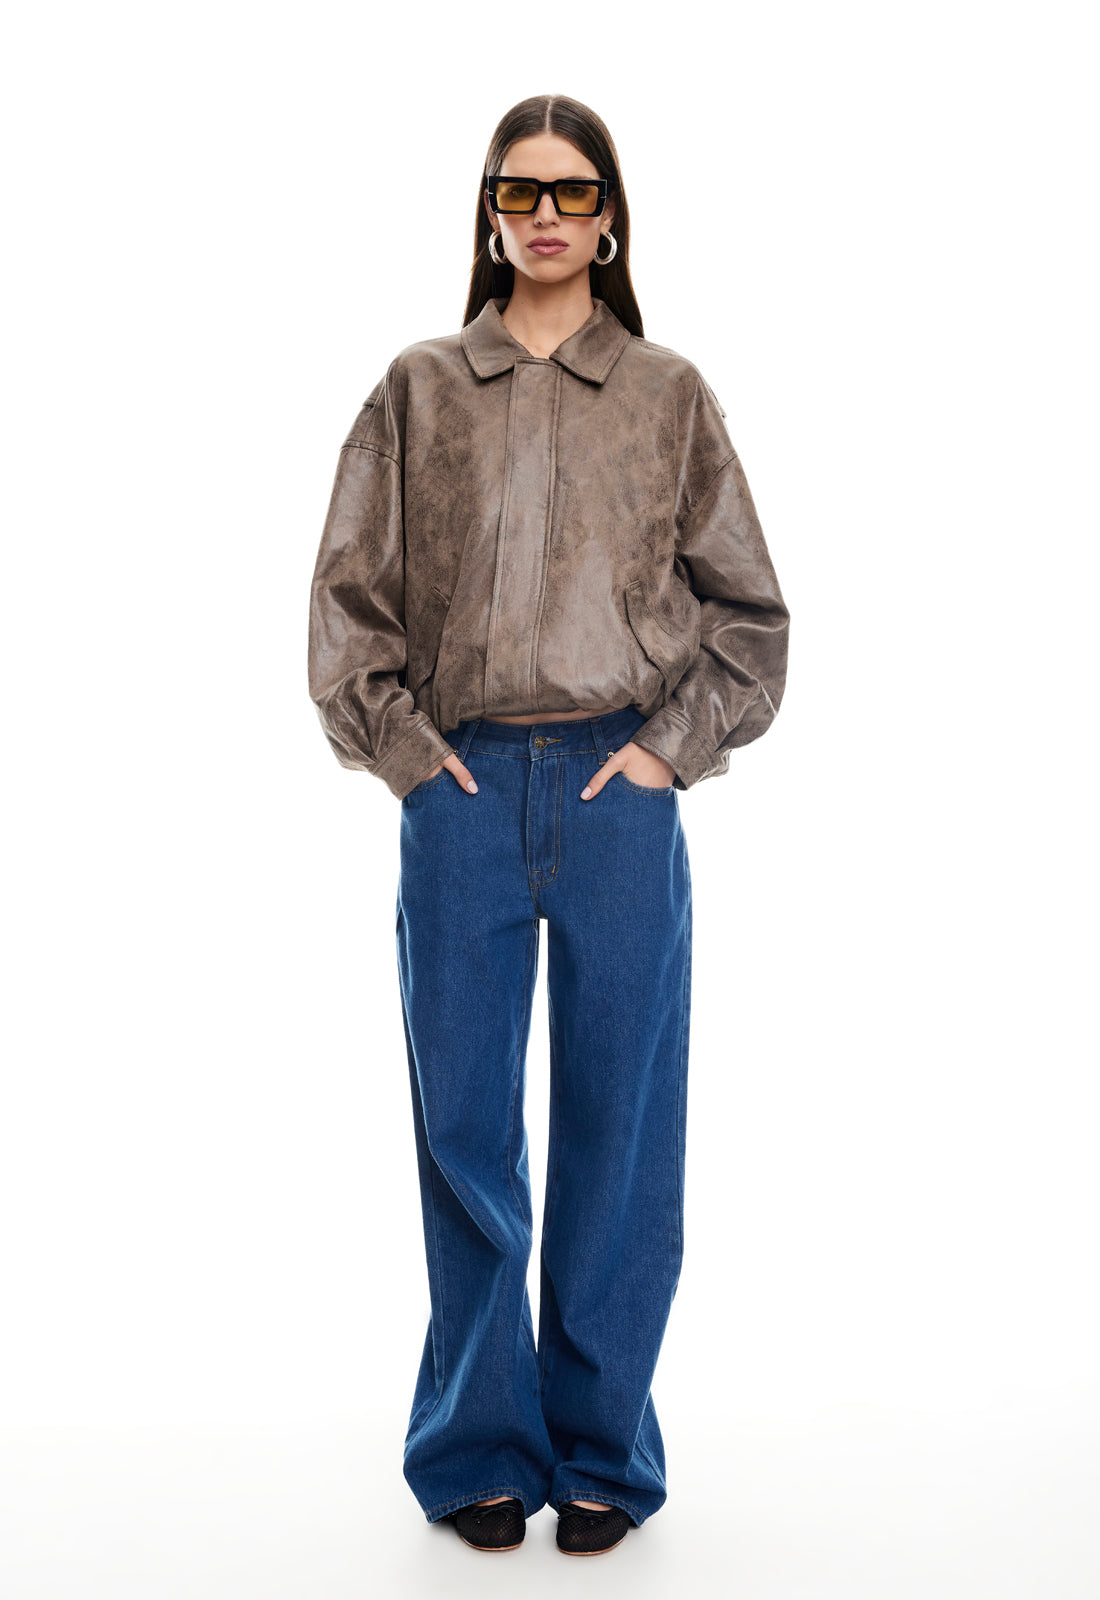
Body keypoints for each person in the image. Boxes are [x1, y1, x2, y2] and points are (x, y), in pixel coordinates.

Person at [307, 93, 790, 1557]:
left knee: (619, 1128)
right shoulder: (418, 389)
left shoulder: (667, 395)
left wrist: (664, 755)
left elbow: (750, 617)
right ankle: (477, 1448)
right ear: (489, 210)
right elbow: (348, 604)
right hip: (457, 791)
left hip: (614, 795)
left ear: (611, 217)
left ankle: (599, 1450)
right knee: (464, 1126)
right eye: (519, 192)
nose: (545, 217)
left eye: (573, 193)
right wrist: (406, 755)